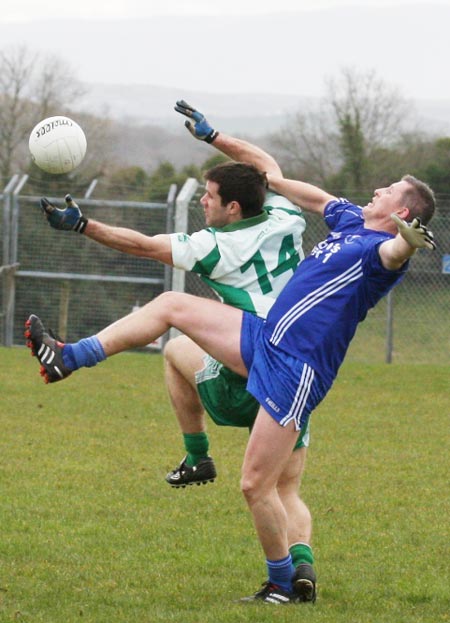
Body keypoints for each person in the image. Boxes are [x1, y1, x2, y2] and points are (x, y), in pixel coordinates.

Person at [26, 142, 436, 603]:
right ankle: (69, 357)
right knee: (172, 306)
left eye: (388, 191)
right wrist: (221, 139)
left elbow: (394, 256)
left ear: (400, 211)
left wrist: (407, 242)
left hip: (294, 371)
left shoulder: (379, 249)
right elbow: (296, 187)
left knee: (255, 485)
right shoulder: (349, 223)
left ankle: (282, 585)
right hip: (264, 338)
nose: (377, 190)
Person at [29, 102, 317, 601]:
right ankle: (303, 571)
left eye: (209, 197)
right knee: (285, 489)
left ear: (232, 209)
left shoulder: (215, 246)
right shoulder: (286, 213)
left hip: (249, 370)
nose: (202, 203)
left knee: (172, 329)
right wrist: (214, 136)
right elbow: (264, 162)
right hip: (297, 374)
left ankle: (76, 361)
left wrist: (83, 226)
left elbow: (141, 245)